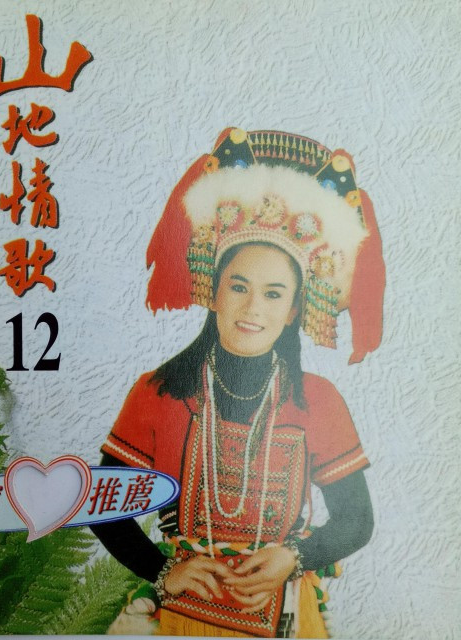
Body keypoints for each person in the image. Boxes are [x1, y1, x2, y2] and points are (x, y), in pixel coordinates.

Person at [91, 128, 385, 638]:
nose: (253, 309)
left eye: (273, 294)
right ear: (214, 291)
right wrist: (163, 571)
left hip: (287, 611)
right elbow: (105, 505)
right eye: (239, 286)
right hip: (179, 614)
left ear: (293, 309)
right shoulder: (159, 392)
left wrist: (293, 557)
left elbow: (356, 519)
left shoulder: (318, 400)